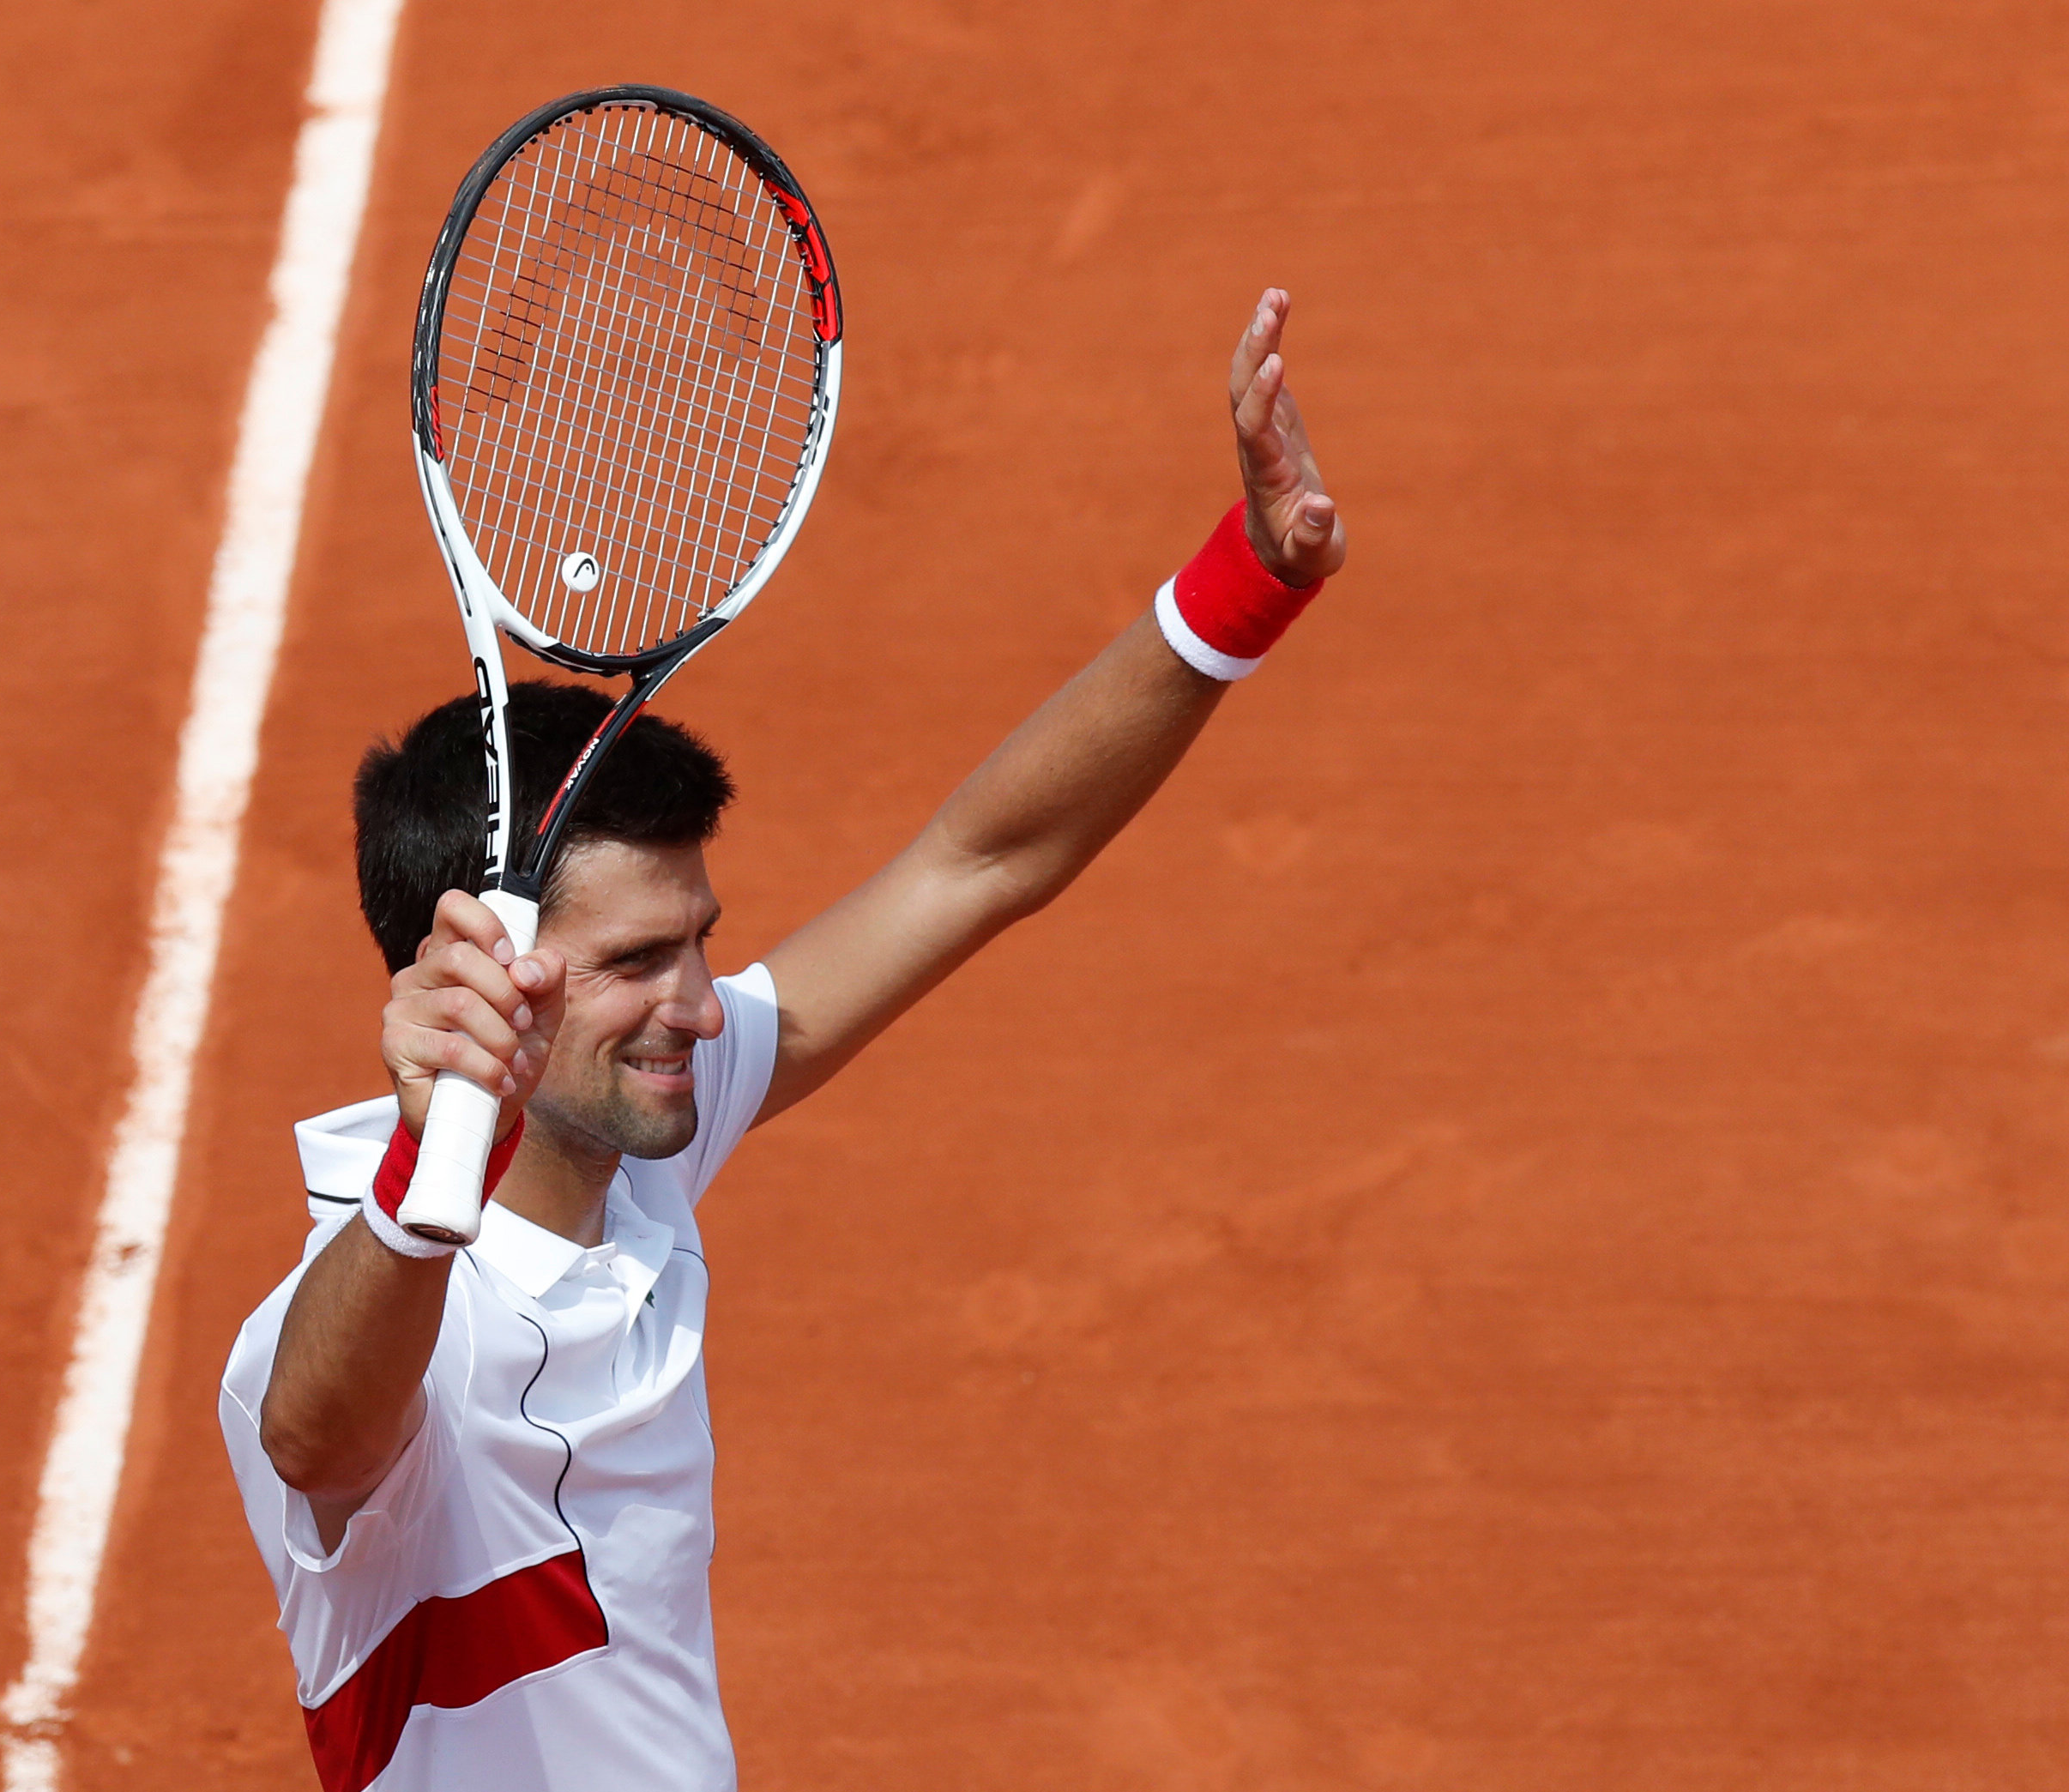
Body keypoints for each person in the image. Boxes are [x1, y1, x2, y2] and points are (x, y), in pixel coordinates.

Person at [219, 291, 1346, 1792]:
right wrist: (434, 1158)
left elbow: (976, 862)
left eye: (696, 937)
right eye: (634, 961)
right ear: (492, 969)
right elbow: (318, 1431)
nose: (699, 1000)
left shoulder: (631, 1141)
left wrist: (1246, 584)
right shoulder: (394, 1306)